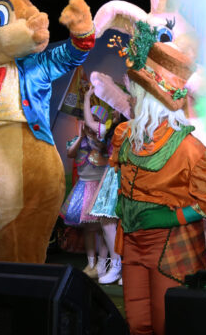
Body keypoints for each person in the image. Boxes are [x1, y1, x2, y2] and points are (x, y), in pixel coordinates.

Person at [110, 21, 206, 335]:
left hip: (171, 248)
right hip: (132, 244)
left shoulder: (189, 148)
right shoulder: (125, 136)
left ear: (150, 98)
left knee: (168, 323)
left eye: (135, 90)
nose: (130, 96)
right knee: (137, 322)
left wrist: (171, 216)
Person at [60, 98, 110, 279]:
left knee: (104, 228)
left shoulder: (105, 141)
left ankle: (102, 265)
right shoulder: (79, 140)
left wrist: (97, 139)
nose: (92, 123)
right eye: (91, 118)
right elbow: (70, 153)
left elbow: (106, 151)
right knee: (89, 229)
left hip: (100, 187)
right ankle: (91, 263)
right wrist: (81, 136)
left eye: (96, 120)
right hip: (84, 187)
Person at [83, 84, 123, 284]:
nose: (113, 111)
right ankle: (116, 265)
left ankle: (125, 267)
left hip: (126, 175)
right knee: (106, 222)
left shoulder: (132, 126)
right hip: (111, 175)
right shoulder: (110, 129)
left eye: (116, 108)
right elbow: (89, 121)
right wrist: (87, 97)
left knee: (125, 223)